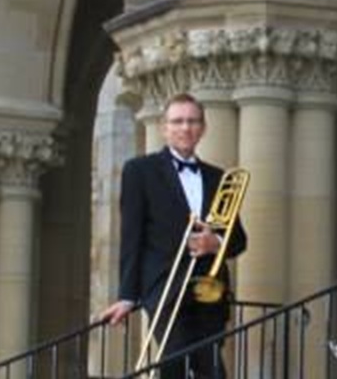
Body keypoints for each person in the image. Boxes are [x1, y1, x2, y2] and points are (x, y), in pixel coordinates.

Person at [96, 93, 248, 378]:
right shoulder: (140, 171)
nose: (185, 128)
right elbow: (132, 235)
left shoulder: (218, 177)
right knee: (177, 356)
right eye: (177, 121)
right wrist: (128, 296)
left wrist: (215, 243)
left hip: (209, 285)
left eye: (192, 121)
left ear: (202, 128)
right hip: (165, 284)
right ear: (164, 128)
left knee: (209, 362)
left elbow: (238, 239)